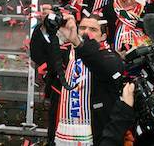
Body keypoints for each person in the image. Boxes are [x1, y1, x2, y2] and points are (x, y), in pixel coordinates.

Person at [30, 8, 124, 146]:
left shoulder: (110, 56)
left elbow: (104, 66)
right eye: (83, 28)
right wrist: (45, 26)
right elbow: (37, 54)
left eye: (93, 29)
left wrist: (78, 43)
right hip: (60, 131)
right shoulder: (64, 52)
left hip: (97, 134)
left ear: (103, 36)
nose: (86, 32)